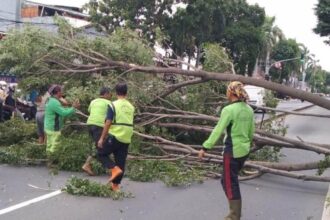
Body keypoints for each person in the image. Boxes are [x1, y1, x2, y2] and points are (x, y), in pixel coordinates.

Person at [198, 81, 255, 220]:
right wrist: (247, 145)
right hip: (244, 151)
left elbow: (218, 130)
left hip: (233, 152)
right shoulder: (249, 109)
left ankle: (234, 216)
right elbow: (251, 132)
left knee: (230, 183)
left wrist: (205, 147)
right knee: (227, 180)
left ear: (231, 92)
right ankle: (235, 213)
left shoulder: (229, 110)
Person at [97, 82, 135, 191]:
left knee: (101, 153)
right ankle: (115, 185)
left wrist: (101, 138)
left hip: (116, 134)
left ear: (115, 92)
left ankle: (113, 169)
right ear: (126, 92)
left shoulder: (113, 105)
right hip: (127, 135)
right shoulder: (131, 106)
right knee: (120, 161)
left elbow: (108, 122)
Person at [81, 87, 112, 176]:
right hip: (99, 126)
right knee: (101, 147)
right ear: (106, 94)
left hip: (90, 125)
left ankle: (108, 168)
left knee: (99, 146)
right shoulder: (109, 103)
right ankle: (111, 168)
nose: (110, 96)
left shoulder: (93, 101)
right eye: (110, 94)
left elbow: (90, 111)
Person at [44, 85, 79, 156]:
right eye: (61, 91)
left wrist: (72, 108)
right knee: (55, 146)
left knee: (49, 145)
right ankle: (52, 159)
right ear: (58, 92)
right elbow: (63, 113)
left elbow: (61, 110)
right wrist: (73, 108)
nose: (62, 93)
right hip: (54, 128)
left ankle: (49, 159)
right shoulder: (55, 102)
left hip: (48, 126)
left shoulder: (50, 100)